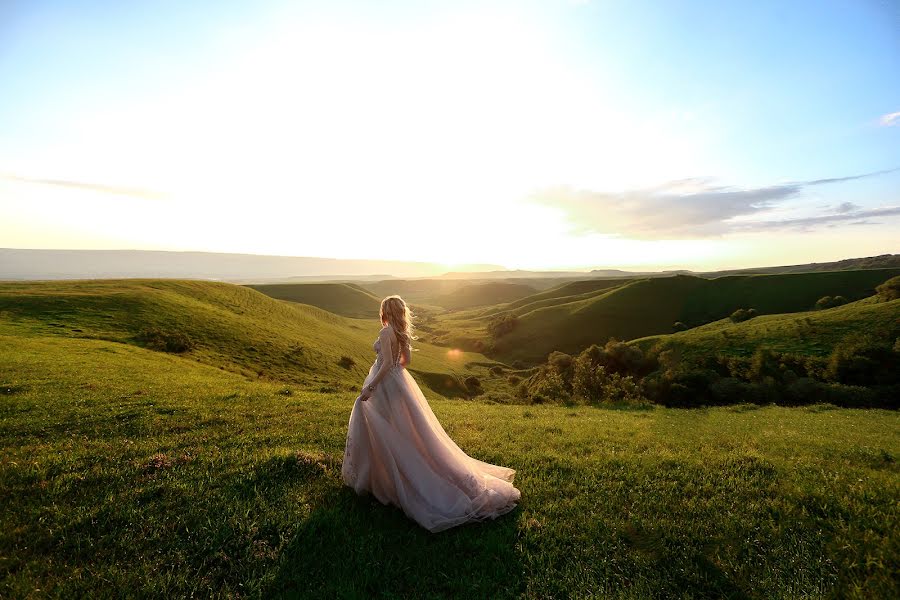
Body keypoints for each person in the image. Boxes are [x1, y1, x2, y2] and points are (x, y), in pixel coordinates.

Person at [341, 295, 521, 533]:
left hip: (384, 384)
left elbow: (384, 364)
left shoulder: (386, 333)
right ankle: (390, 472)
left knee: (384, 426)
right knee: (403, 429)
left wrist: (372, 385)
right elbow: (405, 361)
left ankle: (388, 477)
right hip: (400, 383)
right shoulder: (401, 333)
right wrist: (394, 369)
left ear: (386, 311)